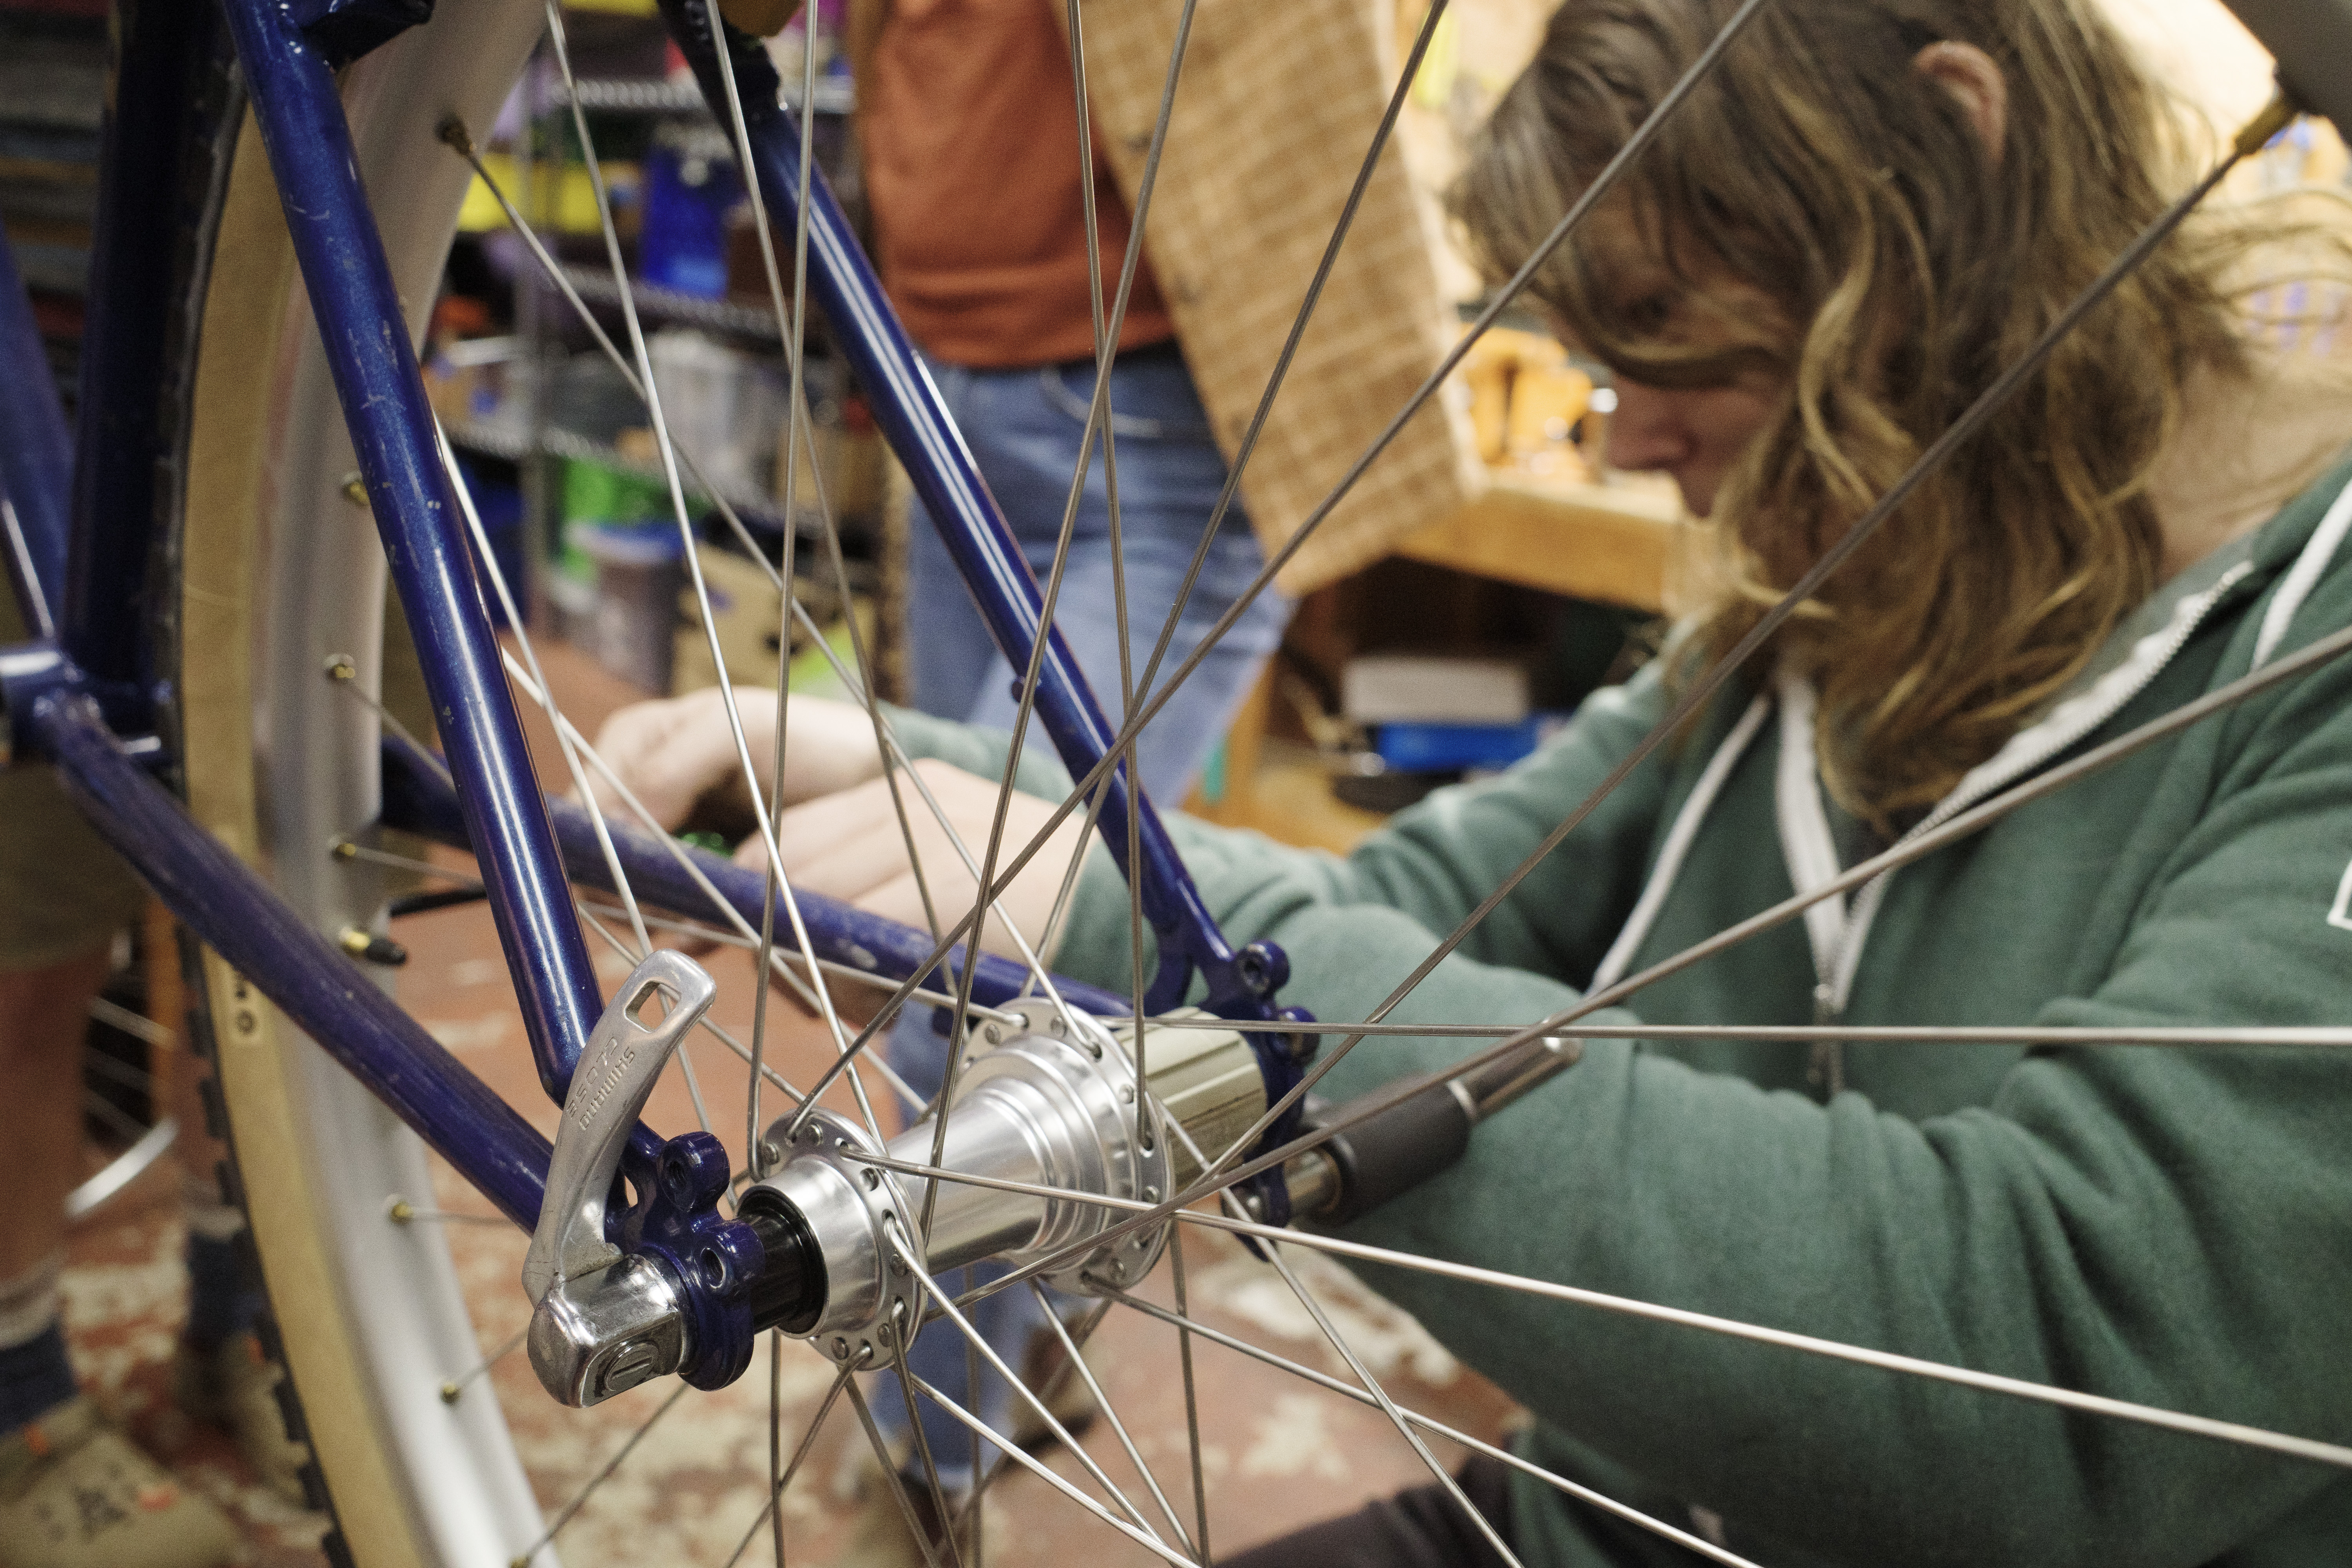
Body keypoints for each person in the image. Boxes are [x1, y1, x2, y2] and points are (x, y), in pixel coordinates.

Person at [604, 0, 2352, 1561]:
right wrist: (941, 786)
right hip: (1611, 1508)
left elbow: (2057, 1380)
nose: (1633, 427)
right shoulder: (1839, 593)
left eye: (1664, 322)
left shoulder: (2314, 630)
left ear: (1949, 147)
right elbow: (1417, 907)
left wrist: (1100, 893)